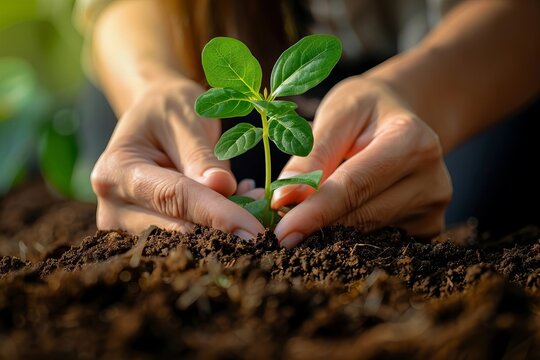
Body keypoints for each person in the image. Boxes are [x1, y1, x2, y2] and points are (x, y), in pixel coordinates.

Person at [76, 0, 540, 248]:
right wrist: (148, 85)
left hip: (468, 51)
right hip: (216, 42)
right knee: (171, 207)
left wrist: (418, 96)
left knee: (465, 216)